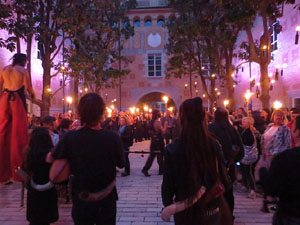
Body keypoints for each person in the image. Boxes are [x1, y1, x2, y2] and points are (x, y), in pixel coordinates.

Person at [50, 93, 124, 225]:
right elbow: (121, 163)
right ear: (102, 112)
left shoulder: (70, 137)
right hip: (107, 198)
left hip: (81, 197)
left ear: (80, 113)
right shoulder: (112, 137)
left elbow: (52, 160)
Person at [162, 97, 232, 225]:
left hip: (185, 210)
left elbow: (167, 186)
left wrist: (168, 205)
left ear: (182, 119)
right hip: (210, 209)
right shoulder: (213, 144)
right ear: (203, 118)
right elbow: (225, 180)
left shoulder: (173, 148)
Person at [0, 53, 35, 184]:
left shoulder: (4, 69)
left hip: (4, 99)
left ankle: (3, 174)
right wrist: (33, 95)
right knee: (19, 135)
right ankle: (18, 173)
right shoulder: (23, 70)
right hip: (17, 100)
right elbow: (28, 87)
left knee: (3, 134)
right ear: (24, 61)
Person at [260, 115, 300, 225]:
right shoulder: (270, 127)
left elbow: (272, 189)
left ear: (296, 132)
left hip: (291, 215)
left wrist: (262, 172)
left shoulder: (286, 159)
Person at [208, 107, 244, 218]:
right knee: (228, 191)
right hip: (229, 166)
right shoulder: (232, 130)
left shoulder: (209, 129)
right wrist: (233, 161)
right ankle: (228, 214)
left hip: (213, 167)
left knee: (214, 191)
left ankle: (216, 214)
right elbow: (240, 150)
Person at [24, 127, 58, 225]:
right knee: (46, 219)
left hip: (34, 190)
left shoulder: (29, 153)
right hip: (48, 189)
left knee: (35, 219)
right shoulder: (51, 154)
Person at [260, 109, 291, 212]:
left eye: (281, 116)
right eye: (277, 116)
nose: (279, 118)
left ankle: (277, 201)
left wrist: (276, 153)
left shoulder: (285, 129)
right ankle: (267, 200)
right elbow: (263, 138)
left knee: (277, 178)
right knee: (267, 178)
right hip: (266, 156)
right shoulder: (269, 127)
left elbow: (287, 144)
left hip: (277, 157)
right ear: (273, 117)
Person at [142, 109, 165, 176]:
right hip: (158, 141)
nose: (160, 113)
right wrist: (165, 126)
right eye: (159, 112)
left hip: (154, 141)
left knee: (153, 156)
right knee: (159, 155)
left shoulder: (151, 122)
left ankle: (146, 169)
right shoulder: (157, 122)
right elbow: (163, 132)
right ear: (157, 114)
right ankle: (161, 170)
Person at [239, 117, 258, 199]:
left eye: (244, 122)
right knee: (244, 171)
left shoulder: (249, 132)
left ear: (248, 123)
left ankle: (253, 190)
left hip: (248, 155)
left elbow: (247, 143)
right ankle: (246, 186)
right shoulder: (245, 131)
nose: (242, 123)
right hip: (246, 155)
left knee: (248, 172)